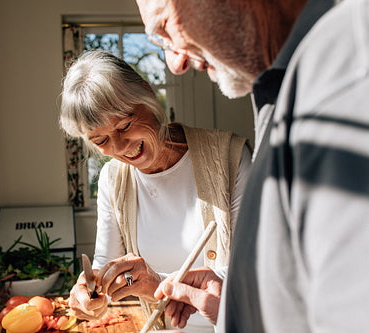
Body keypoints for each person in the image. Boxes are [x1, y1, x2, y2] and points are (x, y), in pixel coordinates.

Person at [136, 0, 369, 331]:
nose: (175, 63)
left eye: (165, 28)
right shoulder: (286, 87)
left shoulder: (346, 77)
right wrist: (236, 302)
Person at [59, 49, 252, 333]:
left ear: (147, 96)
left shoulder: (229, 157)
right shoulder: (112, 179)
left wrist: (158, 282)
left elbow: (250, 271)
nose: (120, 147)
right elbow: (104, 262)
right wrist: (90, 289)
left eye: (124, 125)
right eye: (101, 140)